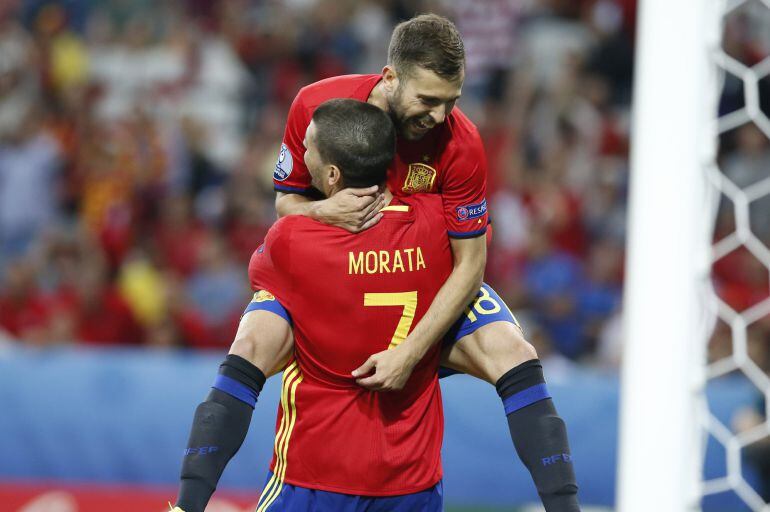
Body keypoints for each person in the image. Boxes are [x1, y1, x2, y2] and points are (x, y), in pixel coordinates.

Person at [267, 13, 579, 511]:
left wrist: (411, 353)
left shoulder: (462, 143)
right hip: (341, 278)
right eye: (427, 100)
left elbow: (470, 263)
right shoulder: (317, 106)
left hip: (426, 281)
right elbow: (286, 205)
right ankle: (194, 493)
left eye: (451, 101)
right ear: (390, 78)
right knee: (251, 343)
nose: (439, 115)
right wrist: (326, 210)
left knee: (516, 355)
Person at [174, 98, 452, 512]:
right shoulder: (433, 225)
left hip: (315, 475)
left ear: (332, 174)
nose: (301, 156)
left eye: (308, 149)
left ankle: (187, 505)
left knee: (250, 343)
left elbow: (265, 275)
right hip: (412, 481)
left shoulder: (293, 242)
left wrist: (314, 212)